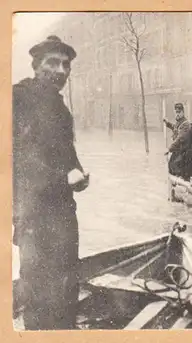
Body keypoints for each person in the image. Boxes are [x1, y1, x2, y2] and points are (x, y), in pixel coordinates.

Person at [12, 35, 90, 330]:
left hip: (63, 211)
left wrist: (79, 174)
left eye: (66, 64)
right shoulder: (19, 98)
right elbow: (18, 158)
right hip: (32, 212)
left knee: (67, 284)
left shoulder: (60, 108)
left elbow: (68, 156)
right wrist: (64, 177)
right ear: (36, 65)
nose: (61, 70)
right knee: (38, 289)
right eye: (52, 63)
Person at [164, 103, 191, 180]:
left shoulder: (185, 124)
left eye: (179, 112)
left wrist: (169, 149)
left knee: (176, 168)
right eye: (176, 112)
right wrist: (168, 124)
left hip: (182, 152)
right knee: (171, 166)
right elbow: (175, 128)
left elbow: (180, 138)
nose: (177, 114)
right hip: (177, 151)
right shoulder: (179, 122)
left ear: (183, 112)